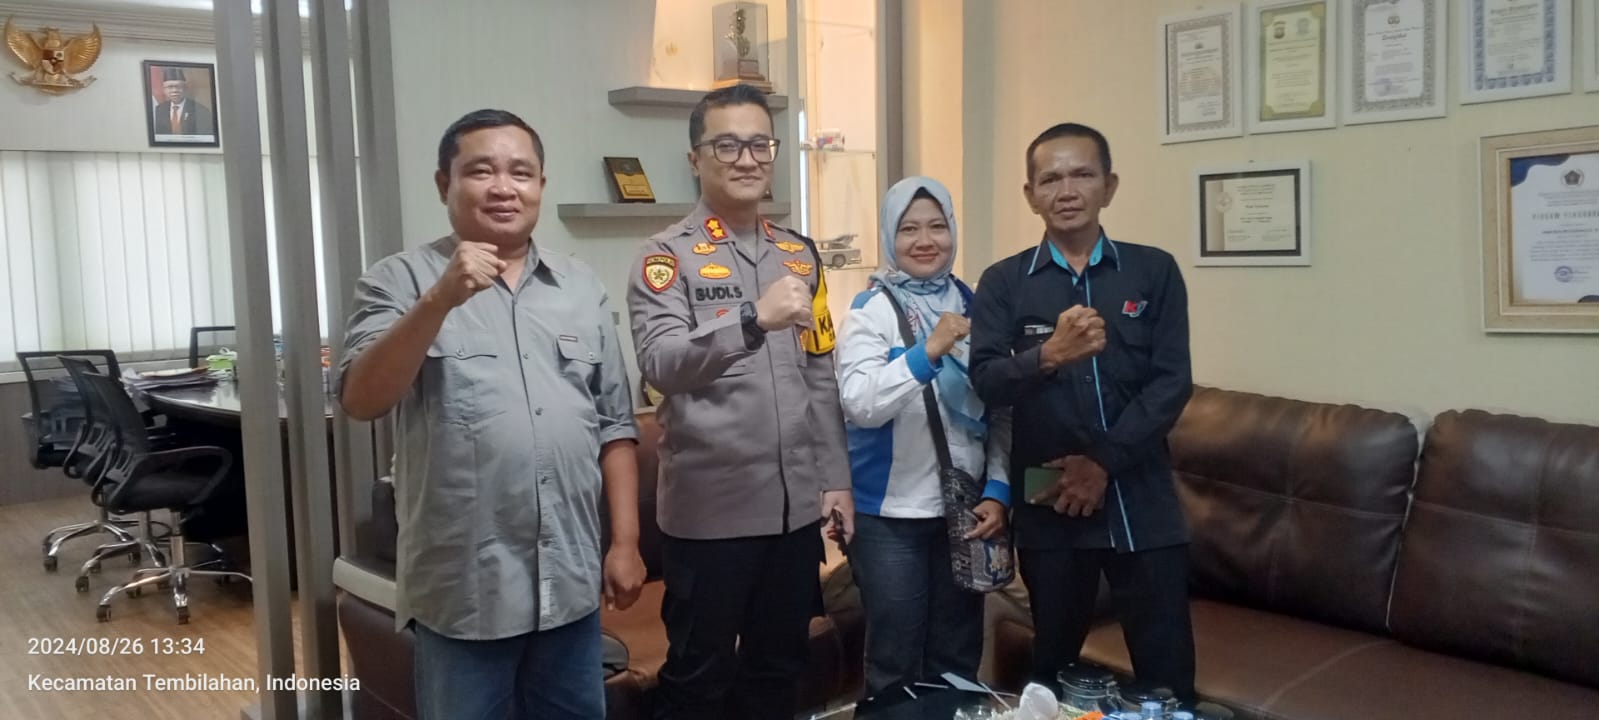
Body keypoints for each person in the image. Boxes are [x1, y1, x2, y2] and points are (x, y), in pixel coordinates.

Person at [336, 109, 646, 720]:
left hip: (570, 585)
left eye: (521, 173)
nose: (504, 187)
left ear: (540, 186)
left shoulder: (580, 287)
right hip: (465, 594)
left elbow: (615, 424)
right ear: (444, 184)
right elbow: (360, 399)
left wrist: (627, 543)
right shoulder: (398, 281)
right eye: (481, 171)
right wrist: (439, 301)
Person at [625, 83, 852, 720]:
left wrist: (835, 478)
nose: (747, 159)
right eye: (727, 145)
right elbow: (661, 364)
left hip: (792, 517)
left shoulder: (799, 255)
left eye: (759, 145)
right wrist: (751, 319)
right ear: (696, 158)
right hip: (710, 518)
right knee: (697, 681)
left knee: (779, 672)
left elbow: (819, 373)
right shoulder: (664, 258)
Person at [968, 123, 1197, 703]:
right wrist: (1048, 356)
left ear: (1109, 186)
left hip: (1141, 495)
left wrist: (1102, 463)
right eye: (1050, 179)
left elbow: (1172, 383)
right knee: (1053, 672)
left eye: (1082, 175)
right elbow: (986, 381)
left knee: (1166, 677)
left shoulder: (1153, 271)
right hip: (1049, 496)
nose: (1066, 190)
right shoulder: (1003, 282)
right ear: (1031, 195)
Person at [836, 176, 1012, 695]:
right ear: (890, 237)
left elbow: (1002, 408)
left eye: (937, 226)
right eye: (909, 229)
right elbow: (861, 404)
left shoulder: (977, 305)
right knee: (895, 659)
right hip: (888, 516)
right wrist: (928, 351)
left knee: (958, 655)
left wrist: (998, 490)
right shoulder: (870, 311)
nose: (925, 240)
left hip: (966, 511)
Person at [153, 67, 214, 136]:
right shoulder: (158, 110)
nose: (174, 90)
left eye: (178, 86)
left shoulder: (200, 110)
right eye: (170, 87)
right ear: (164, 90)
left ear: (185, 88)